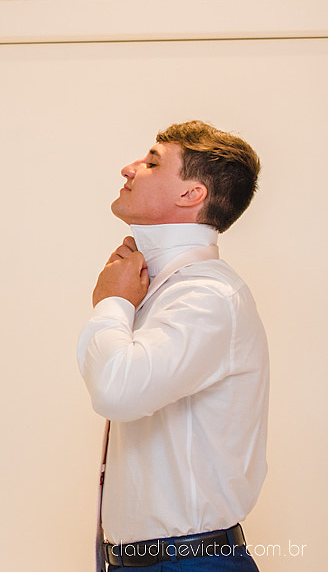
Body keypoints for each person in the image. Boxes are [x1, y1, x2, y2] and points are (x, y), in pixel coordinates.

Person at [78, 121, 268, 571]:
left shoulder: (207, 296)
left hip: (189, 563)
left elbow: (116, 390)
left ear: (191, 194)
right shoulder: (166, 289)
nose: (129, 168)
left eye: (151, 163)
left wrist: (113, 303)